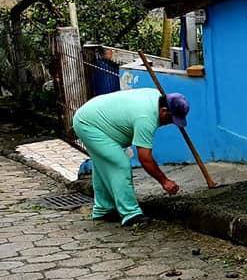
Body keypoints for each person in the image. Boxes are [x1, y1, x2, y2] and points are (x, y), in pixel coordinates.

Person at [73, 88, 189, 227]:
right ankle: (131, 214)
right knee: (120, 164)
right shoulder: (146, 118)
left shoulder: (155, 95)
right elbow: (145, 158)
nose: (169, 123)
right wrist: (164, 181)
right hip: (89, 124)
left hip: (91, 117)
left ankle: (103, 209)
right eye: (171, 119)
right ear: (164, 111)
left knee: (104, 165)